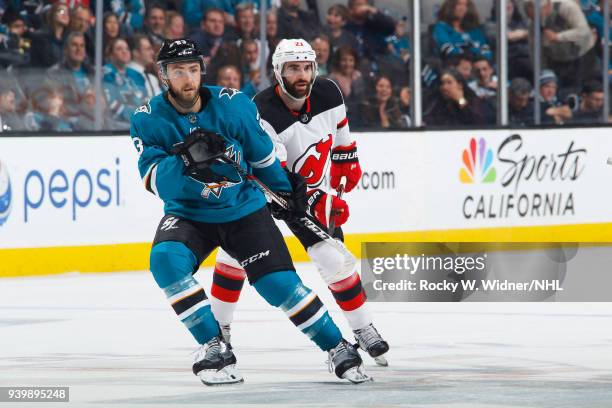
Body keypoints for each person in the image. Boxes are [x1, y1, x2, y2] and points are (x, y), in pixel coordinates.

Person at [129, 38, 370, 385]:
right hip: (189, 213)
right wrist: (184, 160)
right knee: (165, 261)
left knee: (278, 284)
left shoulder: (233, 106)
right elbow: (155, 182)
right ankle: (214, 345)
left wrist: (288, 194)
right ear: (164, 76)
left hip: (243, 209)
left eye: (193, 70)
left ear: (201, 71)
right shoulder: (148, 119)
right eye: (178, 71)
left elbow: (262, 158)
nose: (187, 78)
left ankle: (337, 347)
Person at [210, 39, 390, 366]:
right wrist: (301, 202)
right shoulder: (262, 111)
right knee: (234, 257)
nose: (301, 74)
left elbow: (340, 132)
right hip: (264, 189)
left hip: (310, 190)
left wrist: (345, 161)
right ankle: (218, 330)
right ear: (278, 72)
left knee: (335, 261)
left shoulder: (330, 93)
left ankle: (364, 329)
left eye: (306, 67)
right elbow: (272, 171)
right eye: (293, 68)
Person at [423, 68, 495, 127]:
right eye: (442, 83)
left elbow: (478, 122)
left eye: (449, 82)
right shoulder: (437, 103)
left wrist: (460, 100)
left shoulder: (473, 101)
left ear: (460, 85)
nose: (445, 87)